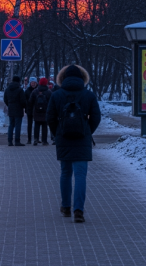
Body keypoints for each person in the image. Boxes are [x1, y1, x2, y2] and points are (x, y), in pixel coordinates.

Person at [46, 64, 101, 223]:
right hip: (82, 139)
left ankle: (65, 208)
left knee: (65, 173)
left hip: (63, 138)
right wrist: (86, 130)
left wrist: (58, 132)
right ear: (82, 78)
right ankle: (79, 210)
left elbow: (50, 117)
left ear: (62, 79)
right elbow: (96, 117)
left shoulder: (56, 95)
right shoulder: (89, 95)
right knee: (80, 175)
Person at [3, 76, 27, 146]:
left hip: (11, 109)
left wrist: (9, 104)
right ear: (19, 81)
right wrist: (24, 107)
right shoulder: (20, 90)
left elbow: (5, 99)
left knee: (11, 125)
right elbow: (23, 101)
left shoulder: (7, 89)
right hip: (18, 109)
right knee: (17, 126)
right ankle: (17, 141)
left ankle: (9, 141)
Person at [28, 78, 52, 146]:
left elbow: (30, 101)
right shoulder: (48, 92)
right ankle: (44, 141)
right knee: (44, 126)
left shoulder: (35, 91)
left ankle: (36, 139)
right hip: (45, 112)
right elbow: (52, 102)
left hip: (36, 111)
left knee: (36, 125)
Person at [24, 77, 38, 144]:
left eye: (34, 82)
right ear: (30, 83)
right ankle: (29, 139)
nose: (33, 84)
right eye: (32, 83)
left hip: (37, 110)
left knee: (37, 125)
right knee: (29, 125)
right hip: (29, 110)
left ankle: (36, 138)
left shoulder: (38, 90)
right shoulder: (27, 91)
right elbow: (24, 100)